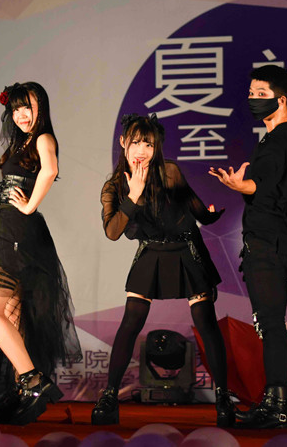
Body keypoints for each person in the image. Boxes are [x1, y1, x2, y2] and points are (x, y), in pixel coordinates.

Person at [91, 113, 233, 427]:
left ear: (157, 148)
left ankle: (223, 397)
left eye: (149, 144)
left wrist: (210, 216)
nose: (142, 150)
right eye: (136, 143)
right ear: (123, 143)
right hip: (152, 250)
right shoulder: (114, 186)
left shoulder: (169, 172)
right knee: (131, 320)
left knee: (205, 321)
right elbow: (113, 232)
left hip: (186, 249)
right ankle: (109, 397)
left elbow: (195, 208)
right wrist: (134, 194)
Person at [0, 82, 80, 425]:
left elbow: (50, 170)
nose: (21, 115)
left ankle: (33, 381)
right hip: (6, 227)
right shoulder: (22, 142)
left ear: (40, 106)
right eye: (15, 109)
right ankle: (23, 387)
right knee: (12, 315)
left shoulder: (43, 138)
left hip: (16, 230)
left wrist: (29, 206)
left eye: (27, 107)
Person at [209, 65, 287, 429]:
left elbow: (267, 186)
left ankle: (277, 407)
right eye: (251, 94)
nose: (253, 100)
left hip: (270, 242)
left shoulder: (285, 137)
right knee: (269, 324)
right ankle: (273, 403)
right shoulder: (284, 137)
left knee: (270, 324)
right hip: (271, 240)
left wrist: (242, 186)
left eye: (261, 94)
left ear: (281, 99)